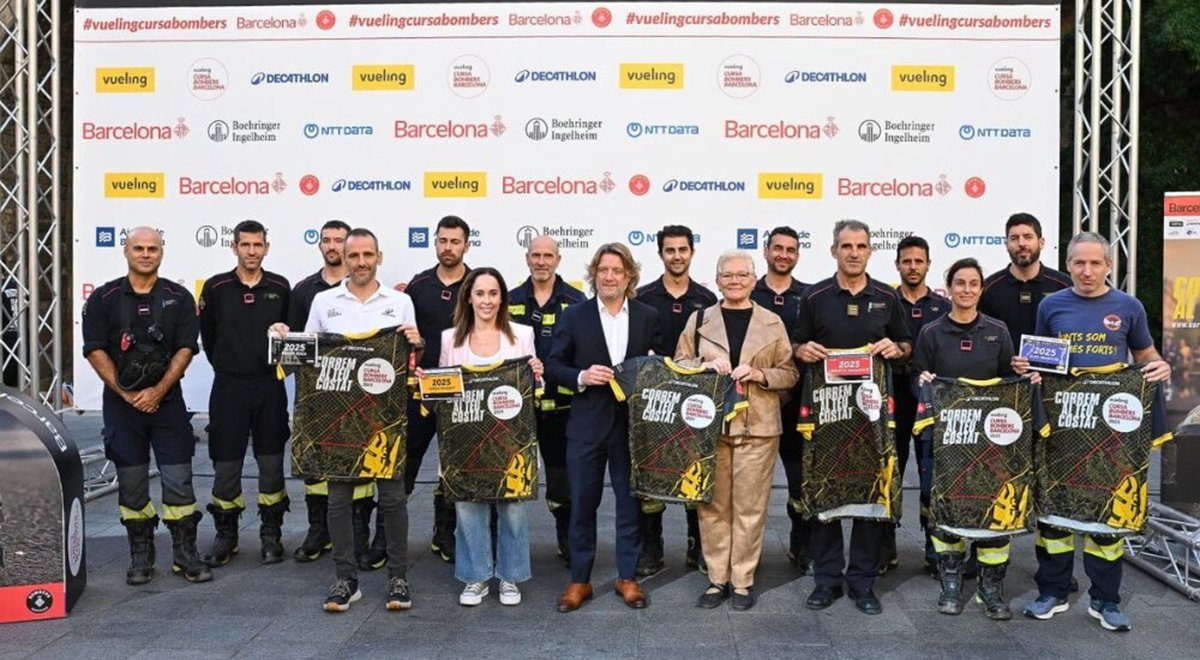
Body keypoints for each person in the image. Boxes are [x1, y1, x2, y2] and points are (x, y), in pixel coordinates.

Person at [1016, 232, 1171, 632]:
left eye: (1095, 263)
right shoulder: (1051, 305)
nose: (1087, 271)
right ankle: (1052, 592)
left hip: (1110, 434)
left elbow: (1145, 355)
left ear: (1108, 266)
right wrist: (1030, 372)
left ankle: (1105, 600)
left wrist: (1161, 365)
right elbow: (1041, 362)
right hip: (1061, 429)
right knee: (1054, 514)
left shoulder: (1129, 307)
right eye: (1079, 263)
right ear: (1068, 265)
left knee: (1107, 514)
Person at [291, 228, 423, 612]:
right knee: (338, 501)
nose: (361, 262)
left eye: (368, 255)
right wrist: (283, 336)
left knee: (393, 500)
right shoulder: (323, 301)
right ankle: (346, 579)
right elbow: (307, 355)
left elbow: (411, 358)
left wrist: (418, 343)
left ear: (379, 257)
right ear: (344, 259)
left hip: (386, 419)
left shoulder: (400, 302)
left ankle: (398, 578)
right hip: (338, 419)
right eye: (354, 256)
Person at [81, 227, 211, 585]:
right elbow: (94, 349)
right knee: (132, 483)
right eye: (138, 248)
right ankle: (141, 555)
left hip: (167, 405)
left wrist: (158, 391)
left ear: (161, 252)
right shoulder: (104, 298)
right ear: (126, 251)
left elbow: (186, 348)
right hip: (121, 407)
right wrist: (127, 394)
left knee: (179, 481)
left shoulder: (178, 297)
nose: (145, 254)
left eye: (152, 248)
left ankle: (185, 554)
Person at [796, 219, 911, 615]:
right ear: (834, 251)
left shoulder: (887, 297)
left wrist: (897, 348)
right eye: (846, 246)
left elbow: (906, 344)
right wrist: (801, 350)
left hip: (872, 415)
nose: (854, 253)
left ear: (870, 251)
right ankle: (827, 580)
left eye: (861, 246)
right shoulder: (814, 296)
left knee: (870, 495)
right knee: (825, 491)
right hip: (827, 413)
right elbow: (796, 343)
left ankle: (862, 582)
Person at [676, 249, 798, 610]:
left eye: (742, 275)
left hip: (758, 427)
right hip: (710, 427)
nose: (735, 281)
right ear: (716, 281)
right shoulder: (699, 320)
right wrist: (704, 365)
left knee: (750, 508)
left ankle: (742, 581)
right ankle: (717, 579)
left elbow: (790, 373)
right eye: (727, 275)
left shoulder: (772, 322)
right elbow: (679, 364)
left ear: (754, 280)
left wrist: (759, 373)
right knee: (711, 506)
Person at [549, 243, 659, 612]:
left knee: (630, 504)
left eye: (617, 270)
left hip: (632, 426)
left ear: (629, 277)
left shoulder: (647, 316)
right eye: (603, 270)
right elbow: (554, 365)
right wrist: (581, 376)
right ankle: (580, 581)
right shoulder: (574, 315)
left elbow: (661, 365)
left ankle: (627, 577)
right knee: (582, 504)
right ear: (594, 274)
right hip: (586, 424)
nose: (609, 276)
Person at [912, 257, 1020, 620]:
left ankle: (991, 589)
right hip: (945, 440)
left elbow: (1009, 383)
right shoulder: (931, 333)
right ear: (949, 288)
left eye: (974, 284)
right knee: (947, 508)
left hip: (991, 443)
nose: (967, 290)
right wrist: (922, 383)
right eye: (960, 283)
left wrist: (1027, 379)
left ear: (981, 289)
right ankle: (951, 584)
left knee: (994, 510)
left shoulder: (998, 331)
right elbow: (916, 380)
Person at [436, 267, 542, 607]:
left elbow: (534, 391)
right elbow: (442, 396)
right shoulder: (450, 339)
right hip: (463, 443)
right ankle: (476, 577)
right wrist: (428, 382)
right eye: (480, 293)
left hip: (511, 442)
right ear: (468, 297)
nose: (487, 301)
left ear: (502, 298)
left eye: (493, 294)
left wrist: (538, 375)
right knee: (468, 508)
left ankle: (510, 576)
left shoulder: (522, 335)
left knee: (512, 510)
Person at [198, 220, 292, 567]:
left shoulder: (280, 287)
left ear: (266, 247)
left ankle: (271, 535)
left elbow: (290, 337)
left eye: (257, 245)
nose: (252, 251)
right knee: (226, 464)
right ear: (234, 247)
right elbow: (209, 338)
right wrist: (230, 366)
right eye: (245, 245)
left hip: (269, 387)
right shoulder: (216, 287)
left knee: (271, 464)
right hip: (229, 387)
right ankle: (226, 536)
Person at [633, 225, 718, 577]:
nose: (677, 256)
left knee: (694, 473)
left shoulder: (708, 299)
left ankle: (697, 546)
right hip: (653, 400)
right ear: (660, 254)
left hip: (695, 401)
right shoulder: (642, 297)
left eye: (683, 249)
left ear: (692, 253)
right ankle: (651, 549)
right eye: (670, 250)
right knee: (651, 474)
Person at [287, 220, 371, 565]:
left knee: (362, 462)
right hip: (318, 396)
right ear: (320, 245)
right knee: (316, 464)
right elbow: (298, 344)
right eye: (327, 240)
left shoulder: (368, 291)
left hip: (361, 398)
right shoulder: (305, 291)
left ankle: (358, 532)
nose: (332, 246)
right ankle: (318, 530)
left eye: (339, 240)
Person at [508, 236, 584, 564]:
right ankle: (501, 542)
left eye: (548, 256)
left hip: (561, 408)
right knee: (506, 474)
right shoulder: (508, 300)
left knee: (561, 478)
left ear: (558, 259)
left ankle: (566, 537)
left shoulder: (576, 301)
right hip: (514, 408)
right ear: (527, 258)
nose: (541, 261)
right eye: (536, 255)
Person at [403, 215, 472, 563]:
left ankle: (444, 534)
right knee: (406, 461)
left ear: (466, 245)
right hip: (419, 391)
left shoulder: (478, 285)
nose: (448, 247)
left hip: (461, 393)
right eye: (443, 240)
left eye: (455, 242)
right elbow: (403, 339)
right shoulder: (418, 286)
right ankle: (386, 535)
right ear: (435, 242)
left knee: (453, 465)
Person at [748, 227, 811, 572]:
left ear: (798, 255)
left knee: (800, 483)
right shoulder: (748, 291)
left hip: (798, 406)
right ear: (766, 251)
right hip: (755, 405)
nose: (783, 255)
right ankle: (745, 554)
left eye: (790, 249)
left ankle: (801, 545)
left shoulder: (810, 296)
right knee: (749, 486)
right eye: (778, 248)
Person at [889, 235, 949, 575]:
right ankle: (885, 546)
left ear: (928, 264)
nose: (912, 267)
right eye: (906, 261)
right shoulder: (885, 302)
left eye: (918, 261)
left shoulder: (942, 307)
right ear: (897, 264)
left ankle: (934, 546)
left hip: (932, 400)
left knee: (932, 474)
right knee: (890, 472)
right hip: (892, 396)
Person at [979, 213, 1071, 344]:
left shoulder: (1064, 285)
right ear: (1006, 245)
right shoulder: (988, 288)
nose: (1021, 243)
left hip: (1051, 358)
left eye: (1028, 237)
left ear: (1041, 243)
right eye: (1014, 238)